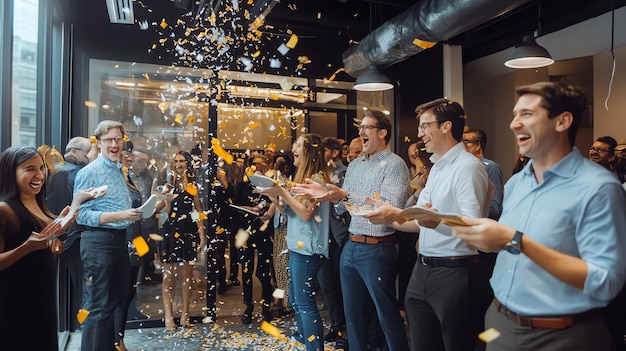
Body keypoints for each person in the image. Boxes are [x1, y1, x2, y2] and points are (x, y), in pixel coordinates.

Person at [450, 82, 626, 351]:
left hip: (559, 335)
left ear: (562, 121)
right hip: (499, 322)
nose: (514, 124)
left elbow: (606, 282)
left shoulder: (599, 188)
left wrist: (516, 240)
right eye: (515, 114)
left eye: (527, 114)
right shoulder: (517, 182)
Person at [365, 99, 490, 351]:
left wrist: (436, 222)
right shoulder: (438, 167)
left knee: (457, 345)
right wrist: (390, 215)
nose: (420, 134)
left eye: (425, 126)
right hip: (422, 270)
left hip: (455, 271)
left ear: (446, 126)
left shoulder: (468, 167)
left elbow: (474, 227)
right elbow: (422, 220)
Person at [293, 109, 411, 351]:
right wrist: (329, 197)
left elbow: (390, 208)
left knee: (386, 314)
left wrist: (344, 194)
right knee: (352, 316)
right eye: (361, 127)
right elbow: (343, 209)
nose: (361, 132)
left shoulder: (395, 165)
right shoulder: (355, 165)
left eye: (367, 127)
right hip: (351, 246)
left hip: (378, 248)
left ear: (383, 132)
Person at [0, 146, 91, 351]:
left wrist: (59, 231)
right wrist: (27, 247)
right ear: (10, 172)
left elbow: (46, 243)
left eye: (42, 168)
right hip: (16, 305)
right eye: (30, 169)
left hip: (43, 301)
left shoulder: (39, 206)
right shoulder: (5, 210)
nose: (40, 175)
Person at [74, 120, 145, 351]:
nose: (115, 144)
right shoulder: (89, 172)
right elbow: (80, 215)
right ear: (99, 142)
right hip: (98, 242)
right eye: (109, 140)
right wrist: (120, 215)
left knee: (115, 302)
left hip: (118, 240)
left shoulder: (119, 170)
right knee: (98, 307)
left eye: (118, 139)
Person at [257, 133, 330, 351]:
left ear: (310, 151)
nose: (293, 149)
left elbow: (307, 214)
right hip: (297, 247)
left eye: (298, 145)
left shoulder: (317, 180)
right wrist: (275, 198)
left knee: (305, 302)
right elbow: (289, 212)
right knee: (296, 300)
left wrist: (283, 192)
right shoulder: (301, 179)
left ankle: (314, 346)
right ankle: (303, 338)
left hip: (308, 250)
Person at [45, 136, 91, 332]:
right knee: (83, 289)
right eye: (86, 153)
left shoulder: (53, 172)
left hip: (54, 236)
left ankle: (71, 324)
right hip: (74, 237)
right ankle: (83, 326)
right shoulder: (77, 173)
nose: (88, 157)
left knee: (62, 288)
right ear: (74, 151)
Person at [160, 150, 206, 330]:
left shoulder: (192, 186)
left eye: (182, 161)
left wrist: (201, 234)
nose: (178, 164)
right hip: (170, 234)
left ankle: (185, 315)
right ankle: (168, 316)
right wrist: (165, 199)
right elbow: (165, 213)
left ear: (188, 164)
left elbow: (197, 212)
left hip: (188, 235)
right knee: (168, 277)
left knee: (186, 277)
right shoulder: (167, 184)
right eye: (175, 161)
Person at [232, 156, 274, 324]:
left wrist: (267, 214)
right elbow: (235, 206)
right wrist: (249, 208)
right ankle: (248, 306)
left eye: (260, 165)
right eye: (254, 165)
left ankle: (266, 307)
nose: (257, 168)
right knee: (246, 270)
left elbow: (276, 203)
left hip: (264, 231)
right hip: (245, 231)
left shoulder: (269, 185)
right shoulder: (242, 186)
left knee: (263, 272)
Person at [317, 136, 349, 345]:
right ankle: (336, 327)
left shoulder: (344, 173)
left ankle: (345, 330)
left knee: (340, 286)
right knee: (327, 286)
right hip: (321, 236)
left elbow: (344, 206)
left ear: (334, 153)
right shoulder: (319, 174)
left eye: (323, 151)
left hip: (340, 236)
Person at [463, 127, 504, 220]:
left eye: (466, 141)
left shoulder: (491, 167)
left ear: (478, 145)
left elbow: (494, 208)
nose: (463, 146)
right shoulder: (463, 168)